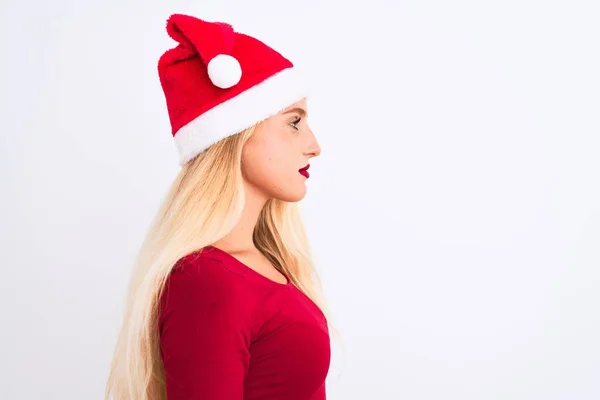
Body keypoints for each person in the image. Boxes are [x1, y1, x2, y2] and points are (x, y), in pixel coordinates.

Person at [105, 13, 331, 400]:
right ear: (236, 132)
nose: (314, 145)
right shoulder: (207, 281)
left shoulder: (267, 262)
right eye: (293, 122)